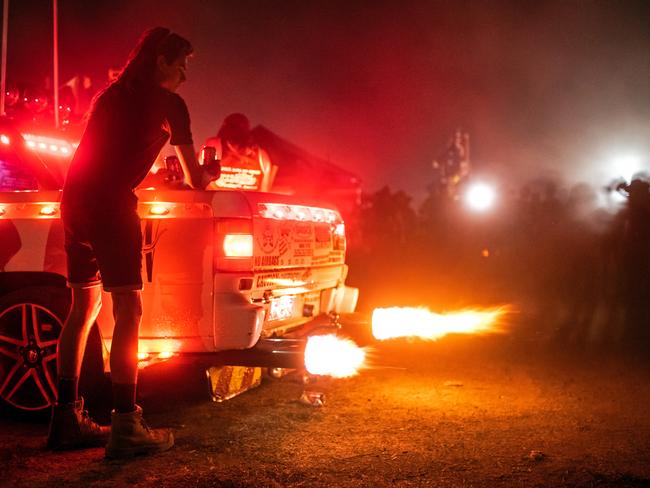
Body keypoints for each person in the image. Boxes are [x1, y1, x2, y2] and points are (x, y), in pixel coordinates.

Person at [46, 27, 215, 458]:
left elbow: (107, 154)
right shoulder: (170, 105)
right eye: (181, 64)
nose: (184, 75)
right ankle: (126, 424)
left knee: (82, 308)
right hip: (110, 207)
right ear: (160, 59)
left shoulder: (110, 96)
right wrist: (206, 176)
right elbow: (195, 178)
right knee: (128, 310)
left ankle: (65, 419)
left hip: (75, 202)